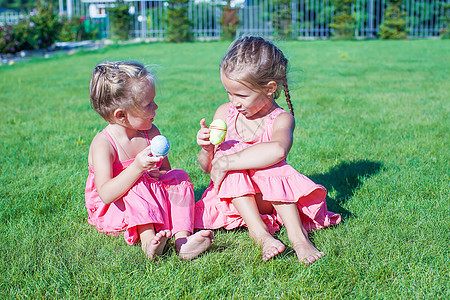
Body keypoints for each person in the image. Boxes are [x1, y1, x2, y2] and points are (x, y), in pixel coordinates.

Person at [195, 37, 340, 265]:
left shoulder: (280, 119)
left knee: (270, 163)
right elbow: (209, 169)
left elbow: (278, 150)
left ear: (270, 89)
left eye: (241, 95)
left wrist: (228, 161)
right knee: (228, 155)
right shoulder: (224, 113)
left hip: (271, 197)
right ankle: (260, 233)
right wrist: (207, 150)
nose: (234, 102)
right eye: (228, 93)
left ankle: (299, 238)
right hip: (237, 201)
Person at [85, 61, 214, 260]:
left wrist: (158, 173)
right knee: (137, 184)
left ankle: (183, 241)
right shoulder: (104, 144)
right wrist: (137, 168)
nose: (156, 106)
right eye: (148, 104)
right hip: (118, 208)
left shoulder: (151, 133)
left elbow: (166, 173)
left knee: (179, 176)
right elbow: (106, 195)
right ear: (121, 115)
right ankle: (149, 242)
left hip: (150, 199)